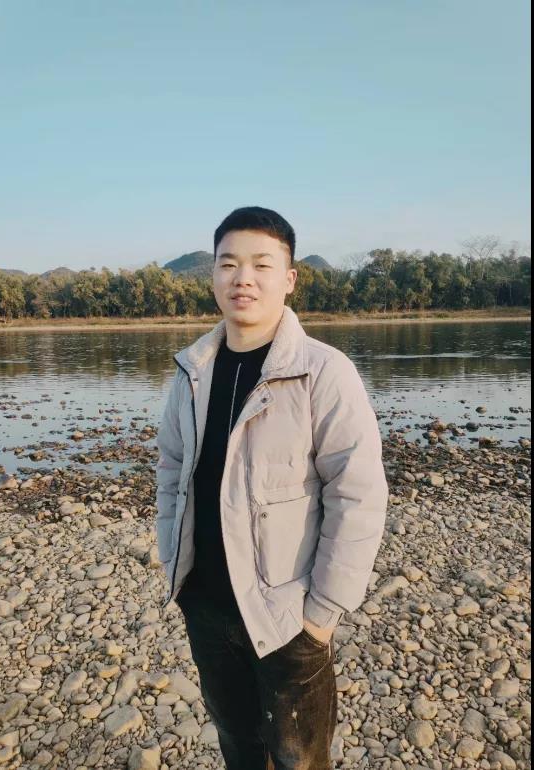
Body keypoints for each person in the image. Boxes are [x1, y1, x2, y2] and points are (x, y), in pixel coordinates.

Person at [155, 206, 389, 770]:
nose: (244, 278)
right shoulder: (192, 372)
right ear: (213, 276)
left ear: (289, 279)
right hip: (206, 606)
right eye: (228, 264)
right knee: (238, 747)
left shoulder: (323, 372)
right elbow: (171, 469)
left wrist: (322, 613)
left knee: (299, 759)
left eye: (262, 264)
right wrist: (173, 564)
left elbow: (358, 494)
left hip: (289, 615)